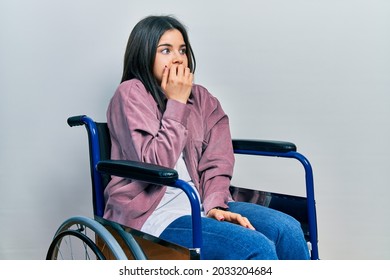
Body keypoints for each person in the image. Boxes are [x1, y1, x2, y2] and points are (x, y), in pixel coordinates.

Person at [103, 15, 310, 260]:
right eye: (166, 50)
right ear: (144, 54)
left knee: (288, 230)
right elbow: (154, 164)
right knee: (256, 247)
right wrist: (177, 102)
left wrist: (215, 206)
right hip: (152, 214)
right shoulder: (130, 94)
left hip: (201, 203)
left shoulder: (203, 100)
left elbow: (217, 161)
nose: (178, 57)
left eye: (182, 50)